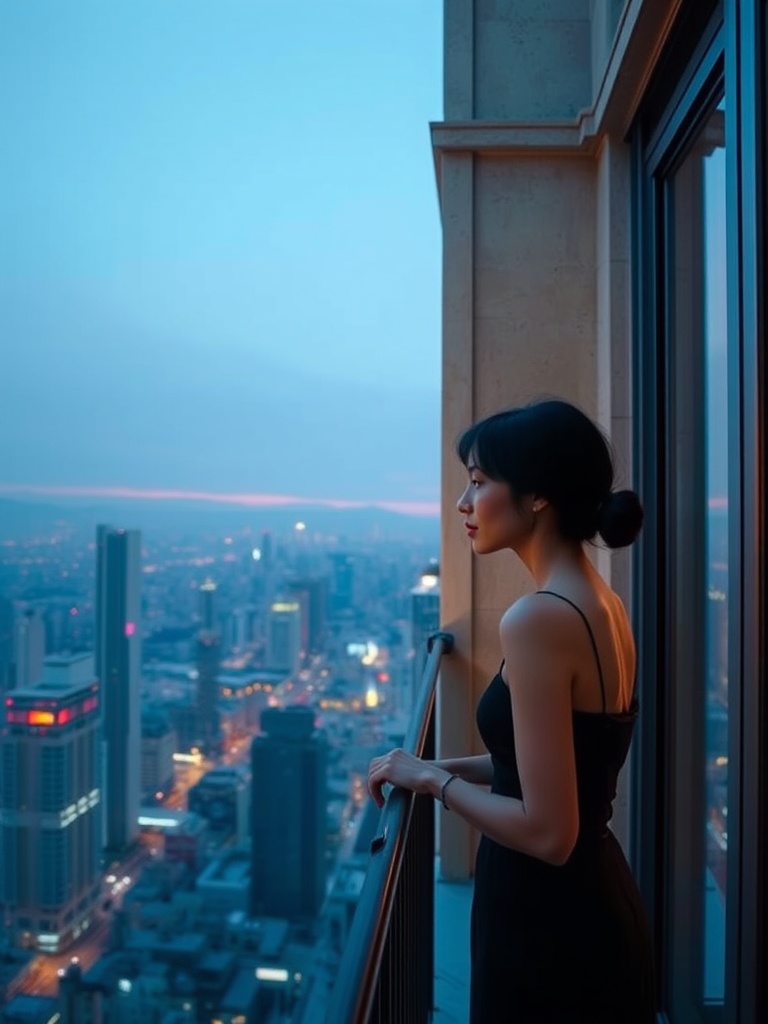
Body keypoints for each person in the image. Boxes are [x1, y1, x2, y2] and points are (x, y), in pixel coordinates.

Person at [368, 398, 656, 1024]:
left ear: (537, 497)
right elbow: (549, 760)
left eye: (477, 482)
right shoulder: (600, 602)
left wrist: (433, 782)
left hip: (549, 927)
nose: (462, 504)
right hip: (592, 907)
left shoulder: (539, 618)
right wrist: (430, 765)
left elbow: (550, 835)